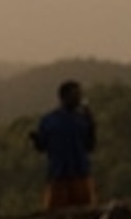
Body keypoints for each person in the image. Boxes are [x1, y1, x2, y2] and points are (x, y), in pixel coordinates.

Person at [31, 78, 97, 211]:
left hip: (79, 175)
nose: (79, 99)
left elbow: (90, 146)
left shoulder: (81, 120)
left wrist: (92, 124)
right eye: (76, 95)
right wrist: (35, 140)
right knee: (56, 217)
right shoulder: (49, 120)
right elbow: (41, 147)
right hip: (59, 176)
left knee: (85, 215)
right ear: (64, 97)